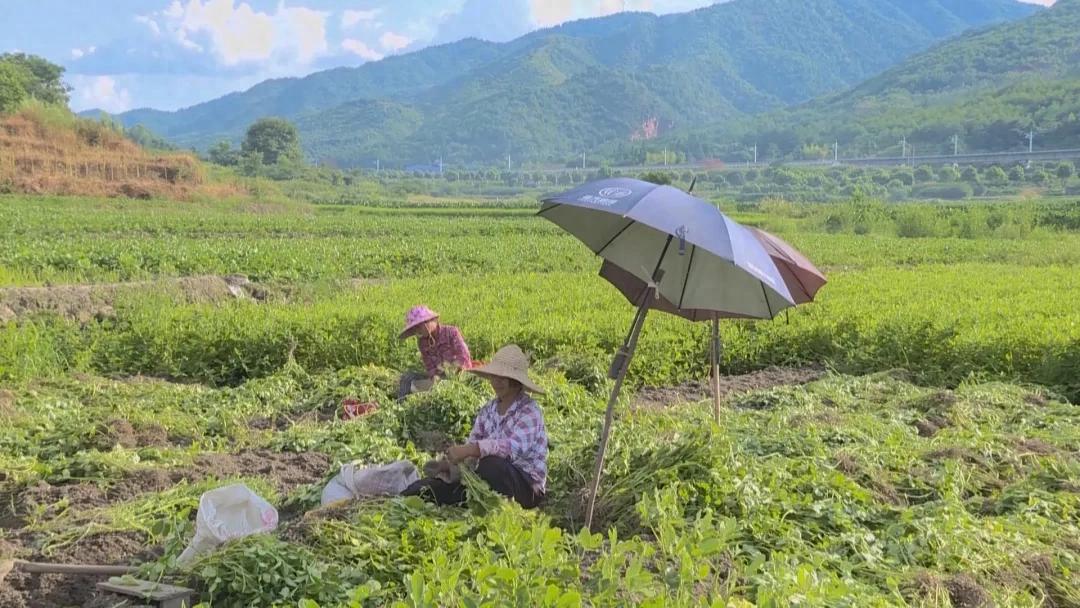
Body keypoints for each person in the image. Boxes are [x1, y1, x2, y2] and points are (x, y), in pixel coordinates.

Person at [401, 344, 547, 509]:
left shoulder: (529, 411)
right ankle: (404, 498)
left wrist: (471, 449)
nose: (496, 382)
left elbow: (511, 449)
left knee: (492, 465)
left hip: (525, 486)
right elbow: (473, 448)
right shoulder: (488, 410)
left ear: (516, 382)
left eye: (503, 378)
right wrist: (452, 463)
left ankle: (500, 507)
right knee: (428, 489)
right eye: (494, 376)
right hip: (485, 481)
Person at [397, 305, 473, 400]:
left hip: (459, 376)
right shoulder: (422, 342)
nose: (418, 330)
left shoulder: (451, 332)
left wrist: (453, 372)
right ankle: (400, 404)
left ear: (431, 321)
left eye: (420, 326)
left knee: (442, 387)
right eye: (416, 328)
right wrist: (434, 377)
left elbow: (463, 357)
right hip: (438, 379)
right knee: (407, 378)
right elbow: (429, 366)